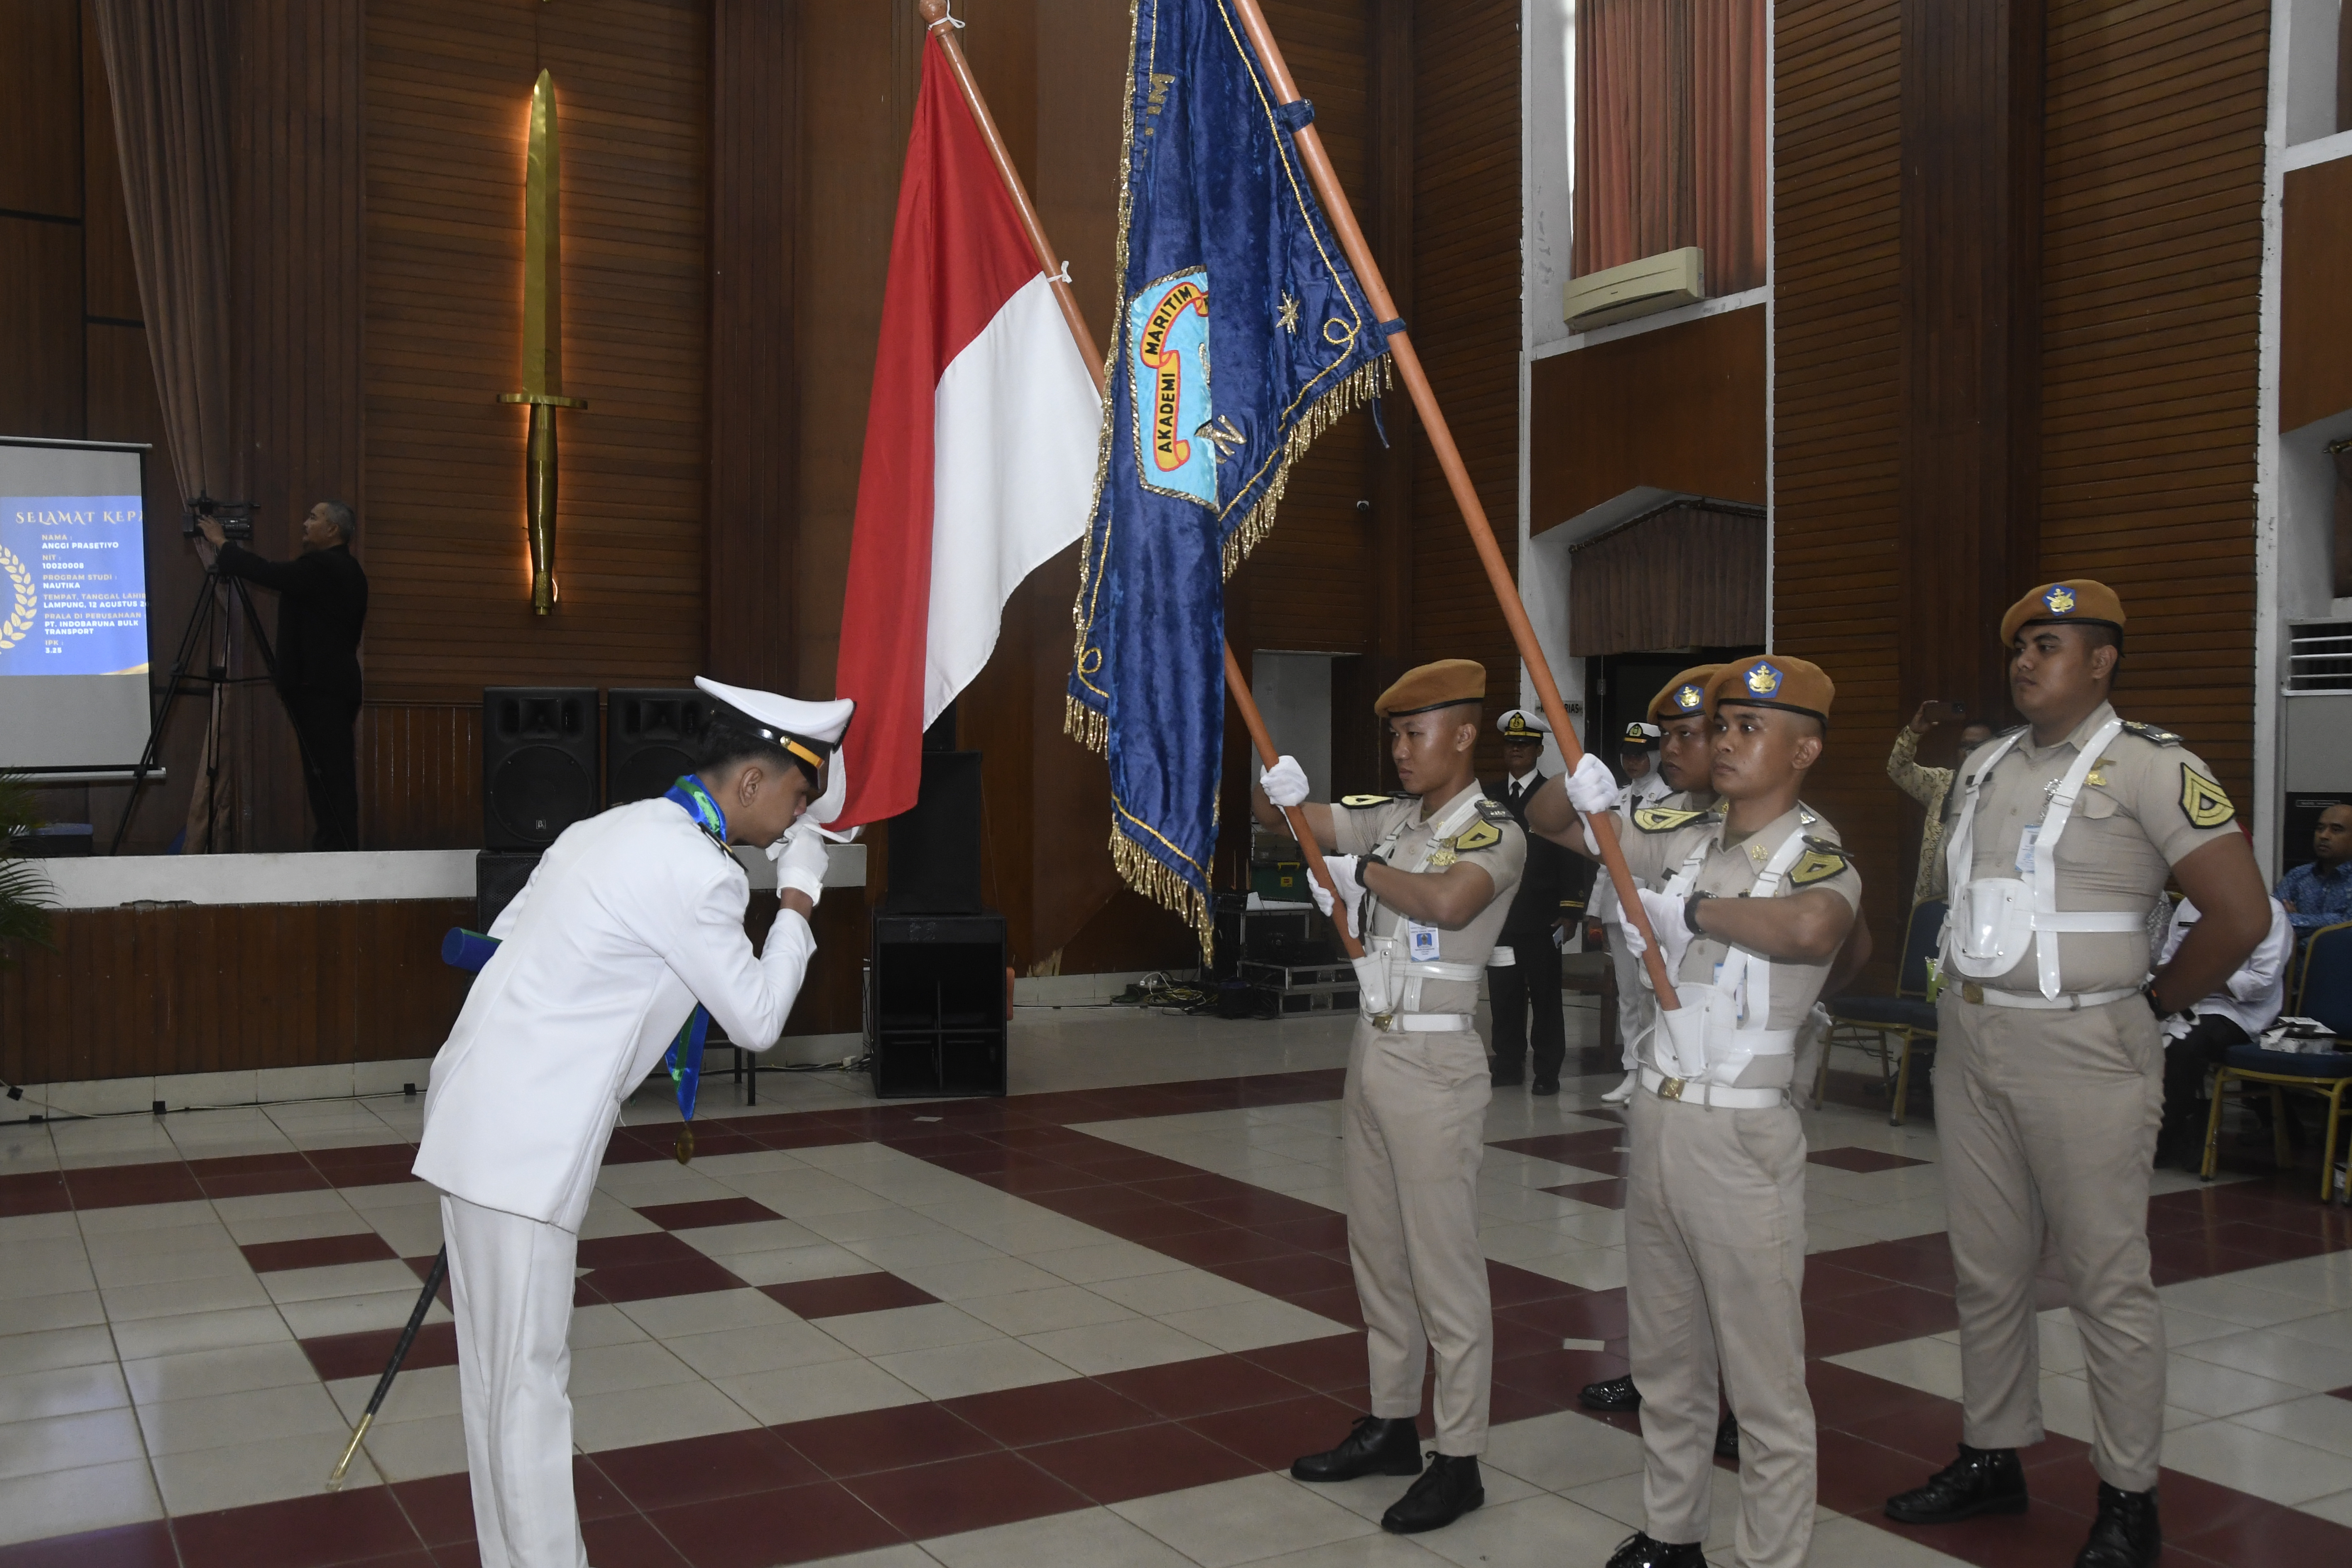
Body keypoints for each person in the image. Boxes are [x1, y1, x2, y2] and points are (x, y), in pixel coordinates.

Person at [411, 677, 849, 1568]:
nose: (792, 825)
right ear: (755, 780)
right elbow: (758, 1019)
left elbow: (503, 944)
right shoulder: (699, 872)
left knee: (494, 1383)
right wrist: (798, 902)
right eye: (798, 800)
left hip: (477, 1118)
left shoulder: (606, 827)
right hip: (527, 1148)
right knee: (529, 1386)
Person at [1884, 580, 2270, 1568]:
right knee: (1984, 1267)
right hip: (1972, 1041)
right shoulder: (1981, 765)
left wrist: (2152, 1005)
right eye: (2019, 644)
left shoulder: (2151, 764)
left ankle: (2128, 1495)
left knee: (2106, 1277)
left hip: (2087, 1045)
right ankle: (1991, 1450)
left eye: (2049, 644)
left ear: (2100, 662)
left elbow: (2239, 914)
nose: (2024, 660)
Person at [1544, 656, 1858, 1568]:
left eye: (1749, 727)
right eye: (1721, 725)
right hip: (1662, 1118)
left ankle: (1770, 1557)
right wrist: (1587, 786)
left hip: (1741, 1131)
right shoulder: (1684, 834)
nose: (1724, 740)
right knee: (1667, 1358)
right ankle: (1673, 1531)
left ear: (1805, 748)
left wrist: (1701, 913)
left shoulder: (1813, 850)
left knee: (1763, 1382)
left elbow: (1812, 928)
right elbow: (1556, 826)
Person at [1253, 658, 1524, 1536]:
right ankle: (1392, 1421)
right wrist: (1280, 792)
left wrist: (1356, 870)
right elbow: (1295, 823)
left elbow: (1449, 900)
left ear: (1465, 733)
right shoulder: (1395, 816)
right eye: (1395, 736)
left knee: (1443, 1265)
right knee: (1377, 1251)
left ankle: (1462, 1455)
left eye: (1416, 733)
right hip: (1375, 1049)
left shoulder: (1492, 830)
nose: (1401, 750)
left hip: (1438, 1065)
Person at [1565, 672, 1720, 1106]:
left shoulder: (1668, 798)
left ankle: (1656, 1067)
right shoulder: (1615, 793)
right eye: (1628, 755)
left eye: (1642, 754)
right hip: (1623, 910)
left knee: (1660, 993)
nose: (1634, 762)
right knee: (1630, 996)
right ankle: (1635, 1067)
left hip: (1661, 911)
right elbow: (1604, 860)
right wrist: (1597, 909)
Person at [199, 501, 369, 850]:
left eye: (313, 517)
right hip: (329, 686)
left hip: (322, 687)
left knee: (328, 772)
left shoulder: (326, 566)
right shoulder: (343, 568)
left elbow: (270, 573)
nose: (305, 523)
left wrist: (222, 544)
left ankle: (338, 848)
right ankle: (335, 845)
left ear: (333, 530)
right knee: (325, 770)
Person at [2152, 889, 2292, 1168]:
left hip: (2238, 1011)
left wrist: (2204, 977)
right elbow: (2168, 960)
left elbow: (2262, 983)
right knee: (2127, 1032)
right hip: (2186, 999)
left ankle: (2164, 1140)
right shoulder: (2189, 907)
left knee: (2185, 1045)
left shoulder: (2268, 911)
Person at [1485, 707, 1574, 1093]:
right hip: (1500, 916)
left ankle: (1547, 1072)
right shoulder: (1487, 796)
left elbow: (1572, 853)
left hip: (1542, 917)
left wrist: (1571, 910)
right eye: (1511, 744)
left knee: (1545, 995)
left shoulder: (1553, 794)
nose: (1516, 751)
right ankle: (1507, 1063)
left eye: (1524, 745)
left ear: (1538, 751)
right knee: (1504, 993)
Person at [1888, 700, 1997, 905]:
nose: (1969, 753)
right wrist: (1913, 733)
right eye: (1964, 746)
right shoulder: (1941, 782)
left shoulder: (2006, 788)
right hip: (1933, 902)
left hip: (1980, 904)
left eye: (1978, 747)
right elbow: (1898, 769)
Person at [2276, 802, 2352, 936]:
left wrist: (2294, 920)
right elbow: (2271, 919)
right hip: (2295, 957)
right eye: (2320, 828)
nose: (2324, 836)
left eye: (2336, 830)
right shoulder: (2298, 876)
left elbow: (2345, 925)